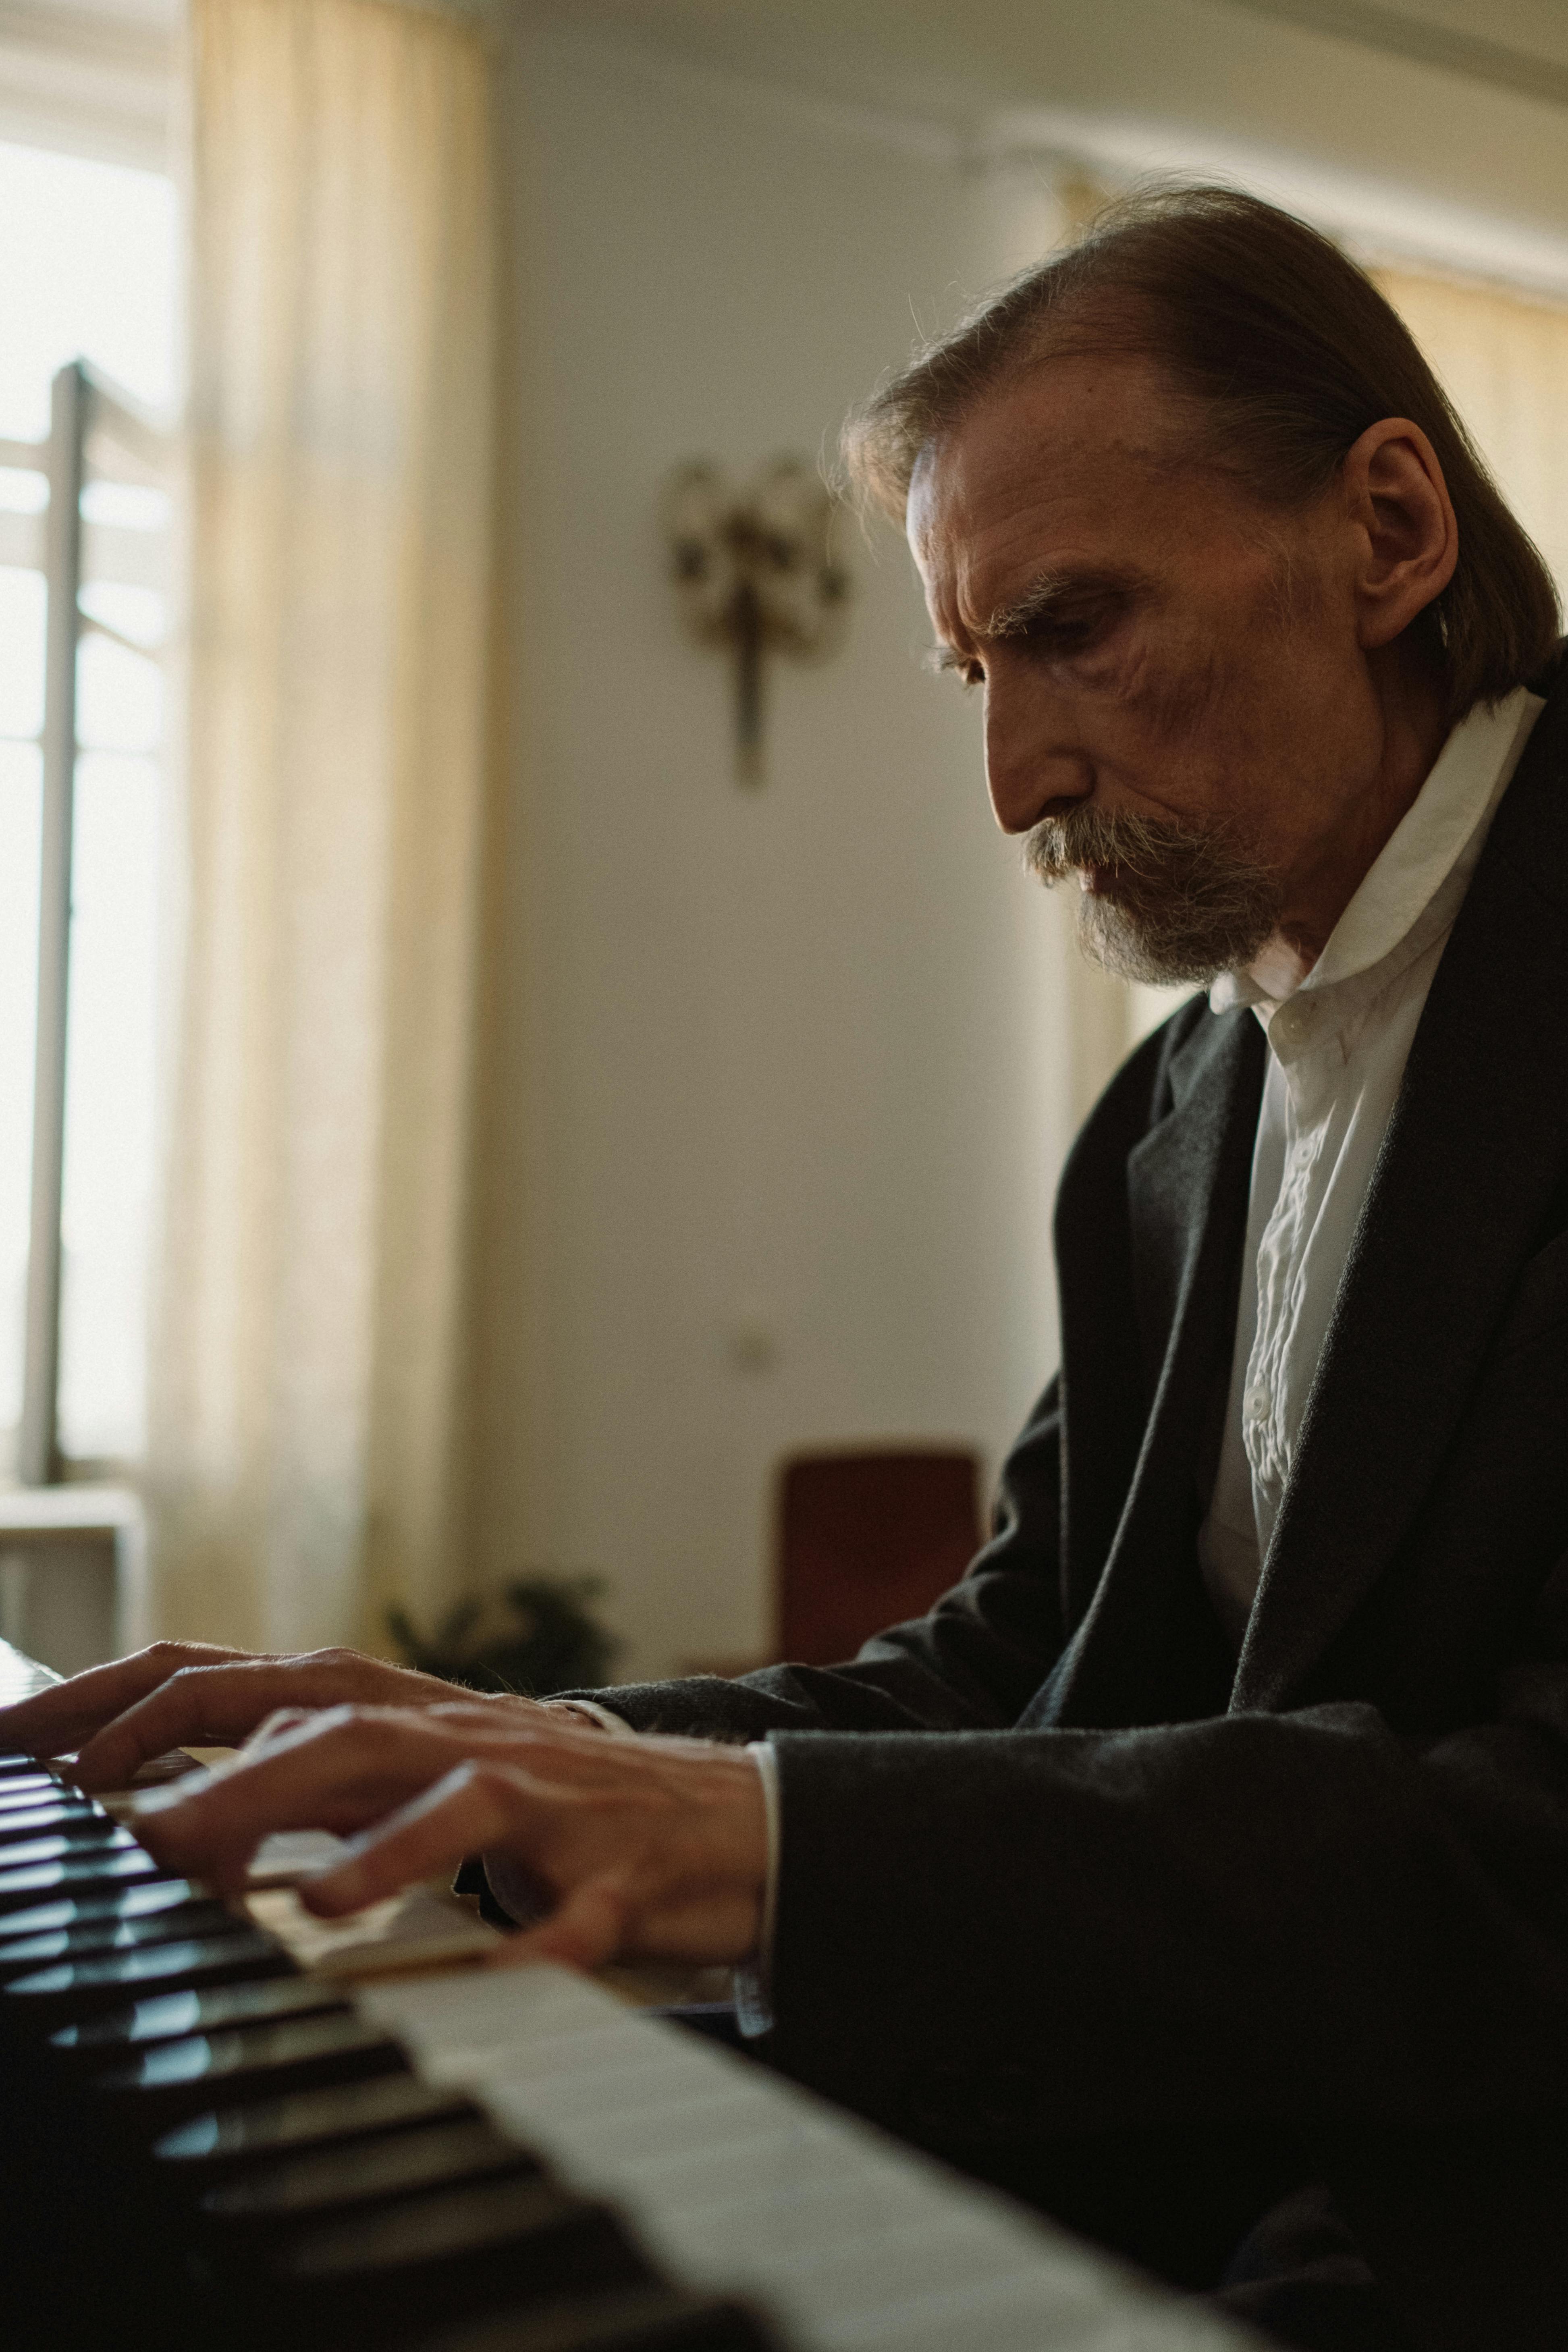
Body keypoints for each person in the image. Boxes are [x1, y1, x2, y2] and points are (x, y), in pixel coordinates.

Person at [5, 186, 1567, 2352]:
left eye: (1076, 628)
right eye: (974, 669)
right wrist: (507, 1754)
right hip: (1213, 2134)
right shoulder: (1167, 1124)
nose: (1014, 777)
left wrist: (746, 1840)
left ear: (1386, 535)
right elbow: (1025, 1665)